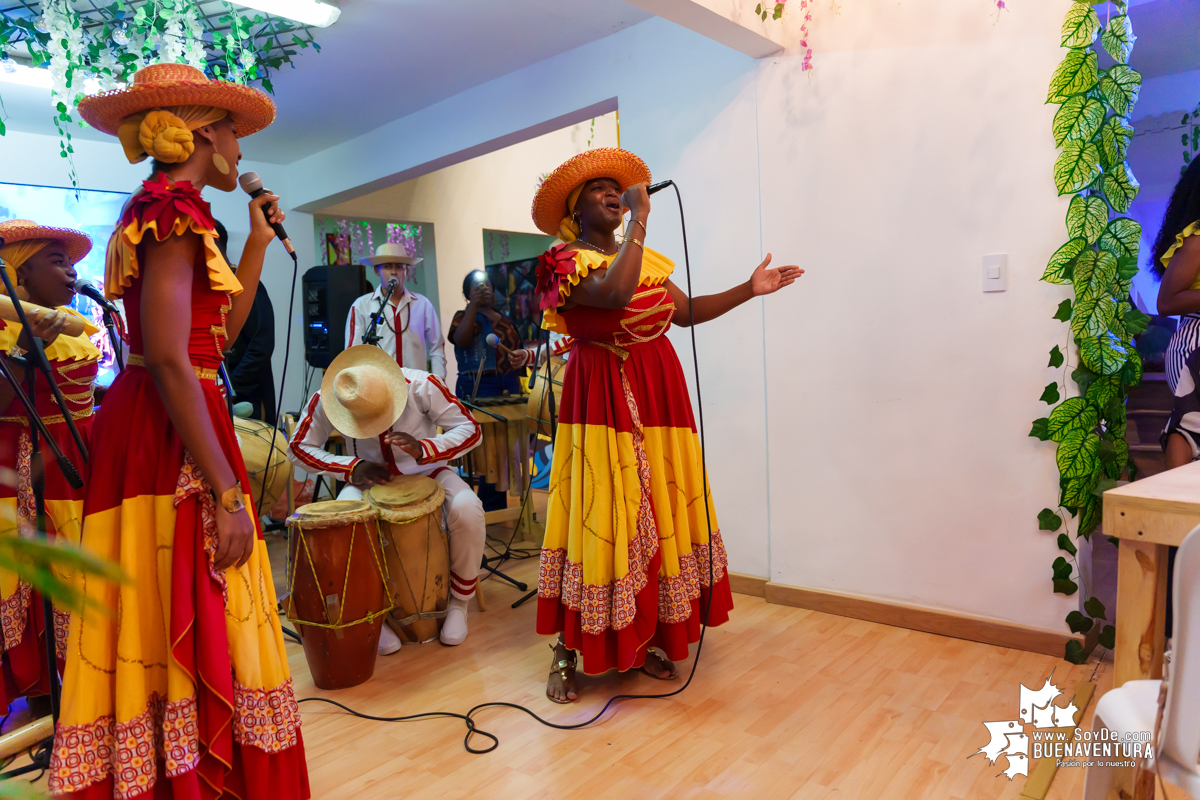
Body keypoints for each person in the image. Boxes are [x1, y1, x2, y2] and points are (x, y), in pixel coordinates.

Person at [51, 63, 309, 798]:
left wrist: (256, 244)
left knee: (180, 602)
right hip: (173, 429)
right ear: (203, 132)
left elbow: (210, 344)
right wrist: (228, 493)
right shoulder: (171, 209)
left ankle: (182, 770)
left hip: (175, 413)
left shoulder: (178, 211)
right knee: (199, 595)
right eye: (231, 128)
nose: (239, 143)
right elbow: (167, 356)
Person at [530, 148, 802, 703]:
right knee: (600, 512)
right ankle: (568, 648)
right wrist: (640, 218)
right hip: (600, 400)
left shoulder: (643, 257)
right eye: (598, 189)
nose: (614, 193)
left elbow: (686, 312)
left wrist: (751, 289)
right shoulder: (562, 259)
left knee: (655, 512)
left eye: (618, 188)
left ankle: (644, 633)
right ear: (574, 210)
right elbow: (613, 295)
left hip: (659, 399)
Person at [287, 344, 485, 651]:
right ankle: (369, 615)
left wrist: (425, 449)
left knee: (467, 508)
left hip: (429, 473)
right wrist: (351, 467)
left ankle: (459, 604)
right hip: (368, 482)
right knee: (338, 528)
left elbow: (470, 430)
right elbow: (298, 447)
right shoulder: (336, 394)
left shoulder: (422, 384)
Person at [0, 220, 99, 718]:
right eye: (57, 262)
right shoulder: (6, 328)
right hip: (33, 466)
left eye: (71, 262)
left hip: (81, 456)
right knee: (43, 578)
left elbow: (86, 393)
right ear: (20, 275)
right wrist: (24, 341)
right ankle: (44, 692)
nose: (71, 272)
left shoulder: (74, 322)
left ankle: (91, 678)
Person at [1155, 157, 1200, 469]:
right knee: (1190, 425)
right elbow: (1167, 302)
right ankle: (1177, 512)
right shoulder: (1199, 236)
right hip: (1195, 342)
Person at [345, 242, 446, 378]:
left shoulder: (423, 304)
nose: (394, 272)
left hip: (416, 386)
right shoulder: (362, 305)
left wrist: (438, 381)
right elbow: (353, 353)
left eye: (399, 267)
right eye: (387, 266)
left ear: (406, 271)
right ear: (376, 270)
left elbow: (436, 347)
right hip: (380, 387)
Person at [216, 220, 277, 424]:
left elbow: (261, 346)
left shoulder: (245, 285)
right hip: (219, 394)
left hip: (247, 396)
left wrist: (231, 386)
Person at [449, 270, 533, 400]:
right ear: (468, 292)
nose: (483, 287)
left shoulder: (505, 319)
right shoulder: (462, 317)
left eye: (487, 283)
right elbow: (460, 341)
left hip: (510, 382)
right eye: (477, 285)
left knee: (510, 419)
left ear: (493, 289)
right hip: (478, 384)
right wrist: (473, 305)